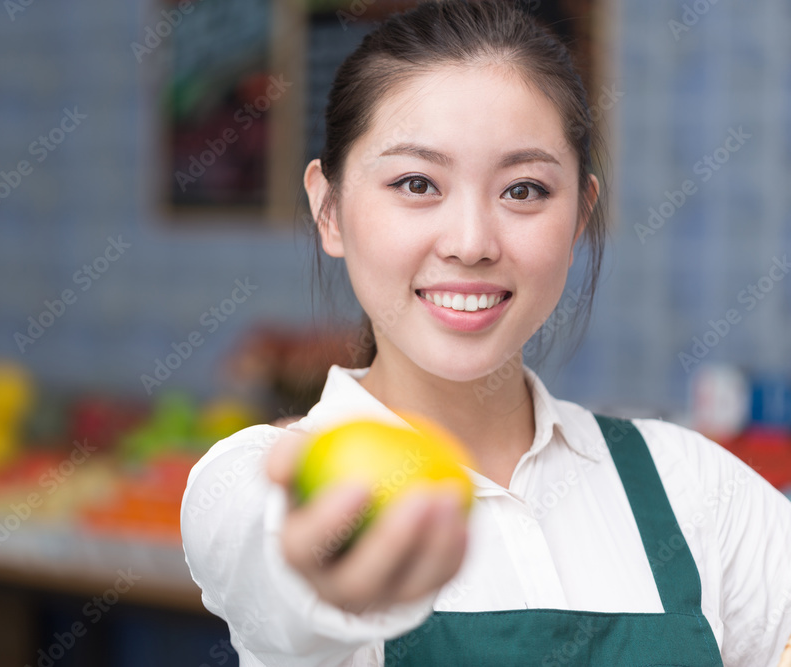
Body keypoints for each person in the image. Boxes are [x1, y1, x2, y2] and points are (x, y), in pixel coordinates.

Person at [180, 1, 791, 665]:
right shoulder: (249, 483)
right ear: (329, 210)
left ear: (579, 217)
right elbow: (268, 562)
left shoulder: (693, 485)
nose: (471, 242)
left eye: (524, 190)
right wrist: (324, 576)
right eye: (416, 182)